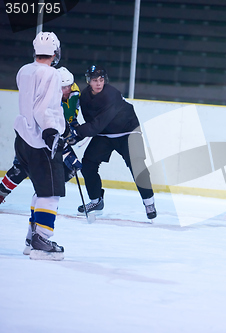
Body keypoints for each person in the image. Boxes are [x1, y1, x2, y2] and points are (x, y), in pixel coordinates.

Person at [70, 65, 156, 221]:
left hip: (128, 132)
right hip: (105, 134)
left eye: (101, 80)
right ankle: (96, 201)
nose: (98, 83)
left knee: (137, 165)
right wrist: (74, 136)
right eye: (95, 80)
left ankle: (148, 201)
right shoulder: (84, 97)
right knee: (88, 164)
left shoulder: (112, 95)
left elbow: (97, 124)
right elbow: (92, 124)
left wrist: (75, 134)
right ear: (89, 81)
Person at [14, 31, 67, 260]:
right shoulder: (51, 74)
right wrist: (51, 132)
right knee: (50, 191)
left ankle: (31, 238)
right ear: (55, 52)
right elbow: (45, 107)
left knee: (40, 190)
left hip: (22, 138)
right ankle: (41, 240)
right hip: (40, 140)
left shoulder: (24, 70)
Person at [0, 66, 81, 204]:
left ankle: (42, 196)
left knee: (72, 166)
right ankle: (1, 193)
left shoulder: (75, 93)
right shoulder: (46, 96)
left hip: (57, 138)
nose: (66, 90)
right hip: (34, 137)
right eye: (63, 87)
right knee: (20, 169)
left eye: (68, 86)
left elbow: (71, 118)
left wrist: (72, 131)